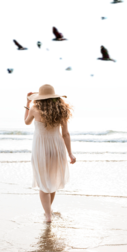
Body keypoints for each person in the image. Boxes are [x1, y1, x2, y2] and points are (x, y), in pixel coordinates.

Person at [24, 84, 76, 223]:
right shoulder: (62, 110)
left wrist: (28, 103)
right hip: (57, 148)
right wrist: (70, 154)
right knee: (52, 181)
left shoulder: (34, 109)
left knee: (43, 183)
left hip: (40, 148)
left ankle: (48, 216)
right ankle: (49, 211)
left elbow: (26, 122)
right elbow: (65, 134)